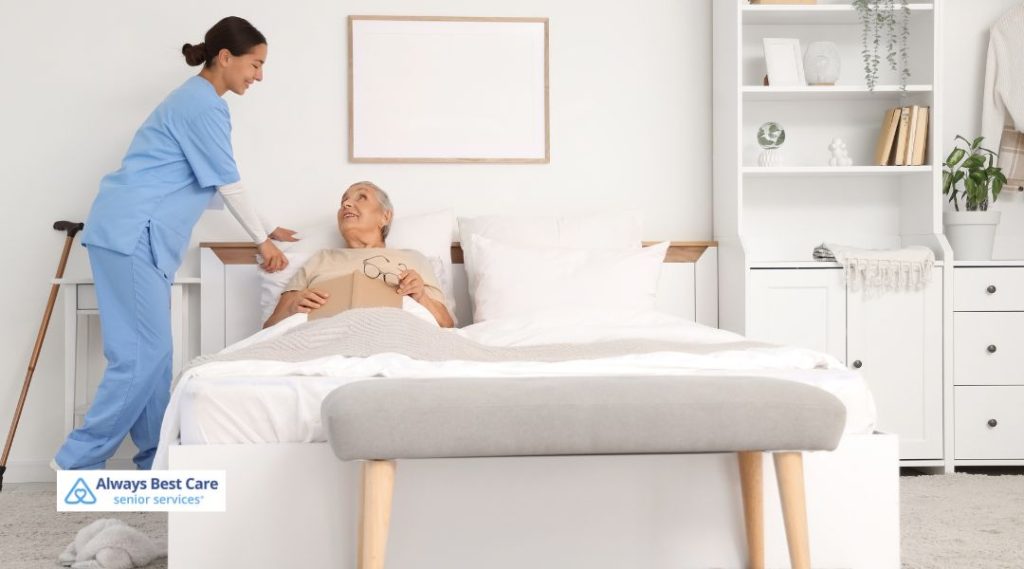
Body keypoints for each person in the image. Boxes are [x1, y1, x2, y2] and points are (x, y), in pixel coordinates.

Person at [54, 17, 297, 471]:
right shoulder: (202, 105)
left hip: (135, 235)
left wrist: (267, 226)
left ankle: (154, 460)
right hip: (133, 233)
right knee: (140, 355)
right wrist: (261, 240)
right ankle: (76, 462)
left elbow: (217, 180)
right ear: (225, 57)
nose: (259, 76)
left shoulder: (196, 101)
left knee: (155, 355)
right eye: (255, 64)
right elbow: (229, 183)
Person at [263, 181, 455, 328]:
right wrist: (292, 306)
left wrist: (421, 296)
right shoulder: (321, 259)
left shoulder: (413, 259)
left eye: (361, 197)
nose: (346, 203)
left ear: (385, 216)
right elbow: (269, 327)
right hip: (325, 337)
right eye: (343, 201)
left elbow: (446, 325)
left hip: (395, 334)